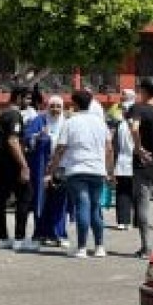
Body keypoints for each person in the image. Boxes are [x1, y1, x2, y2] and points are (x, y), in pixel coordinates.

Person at [46, 90, 113, 258]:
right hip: (97, 169)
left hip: (77, 169)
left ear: (75, 104)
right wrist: (109, 171)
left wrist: (51, 170)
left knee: (82, 206)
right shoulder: (101, 123)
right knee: (95, 207)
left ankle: (82, 247)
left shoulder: (70, 122)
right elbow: (109, 149)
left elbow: (60, 149)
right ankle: (99, 246)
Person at [0, 86, 38, 252]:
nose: (29, 102)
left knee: (0, 200)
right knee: (25, 197)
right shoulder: (14, 115)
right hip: (13, 164)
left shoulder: (3, 114)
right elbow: (13, 141)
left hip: (1, 163)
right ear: (18, 97)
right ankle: (19, 239)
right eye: (27, 98)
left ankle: (3, 238)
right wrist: (24, 165)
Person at [28, 95, 69, 246]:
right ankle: (41, 233)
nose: (55, 109)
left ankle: (59, 234)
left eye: (58, 106)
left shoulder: (67, 123)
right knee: (41, 200)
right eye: (52, 106)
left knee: (60, 201)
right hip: (41, 168)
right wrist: (38, 136)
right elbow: (27, 138)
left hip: (61, 167)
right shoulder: (39, 120)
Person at [129, 79, 153, 259]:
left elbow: (134, 128)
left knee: (143, 204)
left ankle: (146, 248)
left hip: (143, 163)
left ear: (144, 91)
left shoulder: (138, 108)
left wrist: (139, 148)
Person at [113, 90, 135, 231]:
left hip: (135, 161)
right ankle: (122, 220)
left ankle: (136, 220)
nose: (124, 111)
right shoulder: (120, 125)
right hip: (121, 162)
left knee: (135, 192)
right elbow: (115, 145)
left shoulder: (137, 124)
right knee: (122, 191)